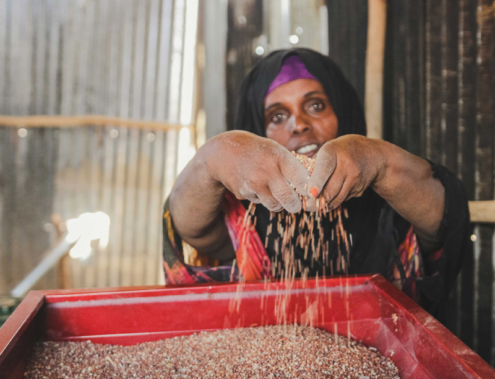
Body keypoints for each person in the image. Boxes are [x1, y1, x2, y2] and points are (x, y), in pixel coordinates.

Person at [163, 48, 471, 321]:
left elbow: (444, 221)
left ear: (342, 110)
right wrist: (212, 158)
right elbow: (191, 228)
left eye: (315, 106)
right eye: (278, 115)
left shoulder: (389, 204)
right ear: (258, 130)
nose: (298, 124)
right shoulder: (248, 217)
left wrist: (378, 161)